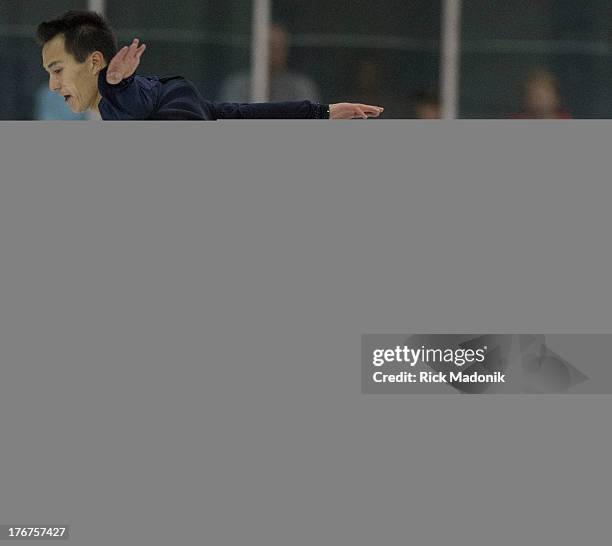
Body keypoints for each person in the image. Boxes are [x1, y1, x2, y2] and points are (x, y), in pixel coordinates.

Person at [36, 11, 383, 121]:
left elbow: (137, 102)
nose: (53, 84)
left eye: (58, 70)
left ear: (95, 61)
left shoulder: (159, 95)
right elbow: (236, 113)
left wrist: (117, 86)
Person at [218, 23, 320, 103]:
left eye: (277, 47)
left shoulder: (300, 87)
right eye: (268, 46)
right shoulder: (237, 86)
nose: (271, 53)